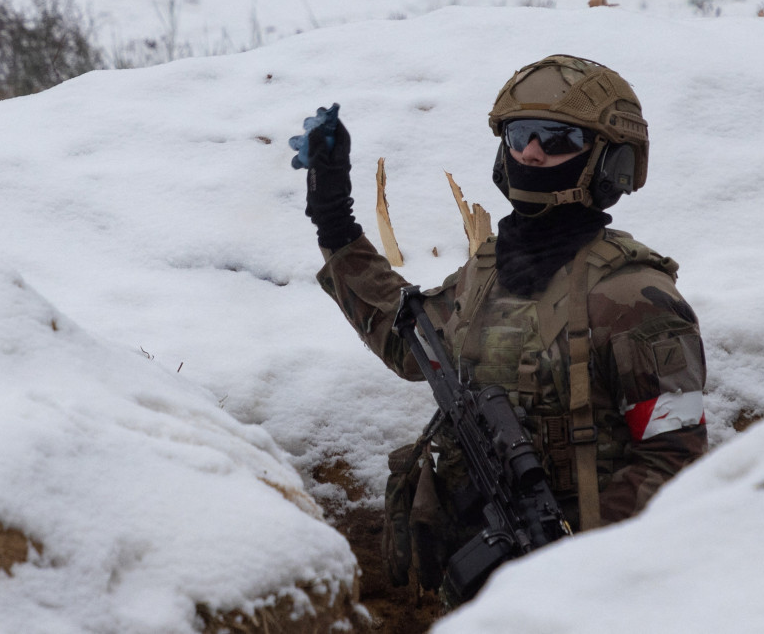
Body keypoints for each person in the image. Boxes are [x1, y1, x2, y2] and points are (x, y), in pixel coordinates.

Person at [292, 55, 707, 603]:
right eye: (520, 134)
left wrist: (575, 566)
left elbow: (675, 458)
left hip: (586, 593)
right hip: (475, 588)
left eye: (558, 139)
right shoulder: (487, 270)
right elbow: (408, 342)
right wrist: (333, 216)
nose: (533, 152)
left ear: (610, 161)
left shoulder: (637, 297)